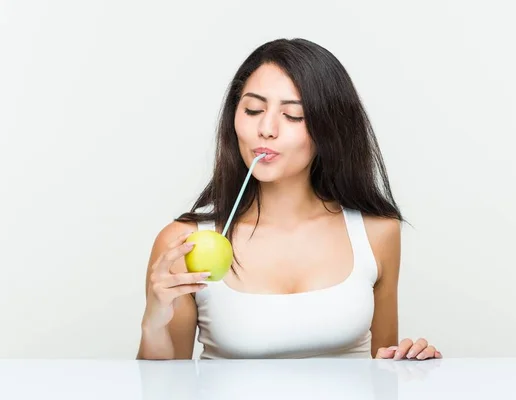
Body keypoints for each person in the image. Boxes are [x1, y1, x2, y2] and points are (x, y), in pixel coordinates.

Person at [136, 38, 442, 361]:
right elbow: (164, 389)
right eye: (253, 110)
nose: (266, 129)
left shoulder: (377, 233)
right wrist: (153, 323)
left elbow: (382, 377)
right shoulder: (185, 243)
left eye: (293, 115)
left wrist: (410, 362)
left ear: (329, 128)